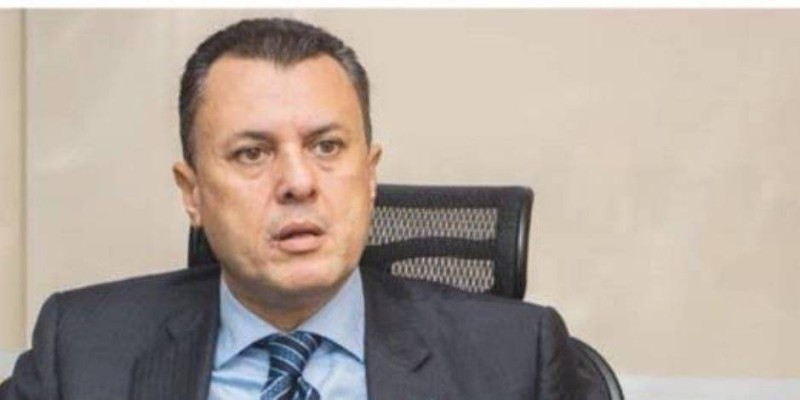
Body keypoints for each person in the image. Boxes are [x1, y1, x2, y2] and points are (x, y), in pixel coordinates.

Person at [0, 18, 586, 400]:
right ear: (192, 192)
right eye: (252, 153)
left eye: (326, 146)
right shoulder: (81, 350)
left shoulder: (516, 360)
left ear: (370, 174)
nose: (299, 183)